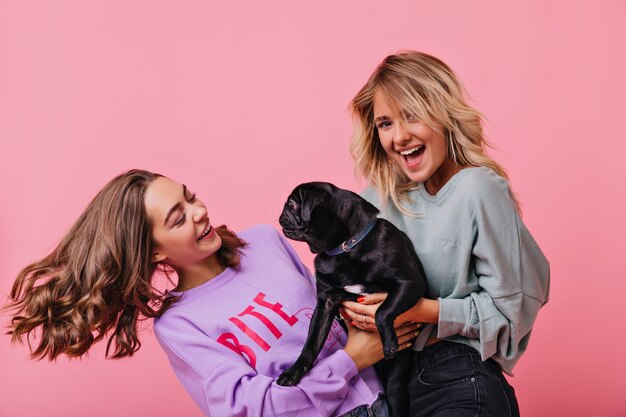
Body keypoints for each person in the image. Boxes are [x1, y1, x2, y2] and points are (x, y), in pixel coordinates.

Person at [6, 169, 420, 417]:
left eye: (190, 196)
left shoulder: (265, 242)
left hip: (397, 393)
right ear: (152, 249)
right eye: (178, 217)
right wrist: (350, 360)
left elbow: (335, 310)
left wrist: (375, 314)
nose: (199, 211)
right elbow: (255, 410)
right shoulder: (180, 326)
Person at [340, 51, 550, 417]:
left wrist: (421, 311)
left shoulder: (477, 189)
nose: (400, 136)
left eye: (411, 115)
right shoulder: (374, 199)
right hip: (382, 388)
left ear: (443, 114)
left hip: (455, 374)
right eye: (385, 123)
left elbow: (515, 306)